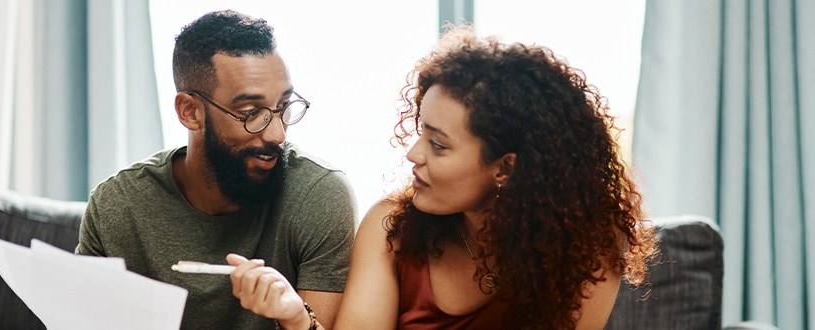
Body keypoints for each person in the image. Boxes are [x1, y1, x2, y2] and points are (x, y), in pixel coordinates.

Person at [234, 24, 657, 329]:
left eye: (438, 144)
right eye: (421, 133)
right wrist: (295, 319)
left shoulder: (590, 246)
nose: (413, 154)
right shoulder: (390, 227)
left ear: (505, 167)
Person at [75, 9, 358, 329]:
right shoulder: (117, 206)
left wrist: (296, 320)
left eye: (283, 107)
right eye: (251, 113)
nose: (277, 133)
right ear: (190, 111)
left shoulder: (318, 196)